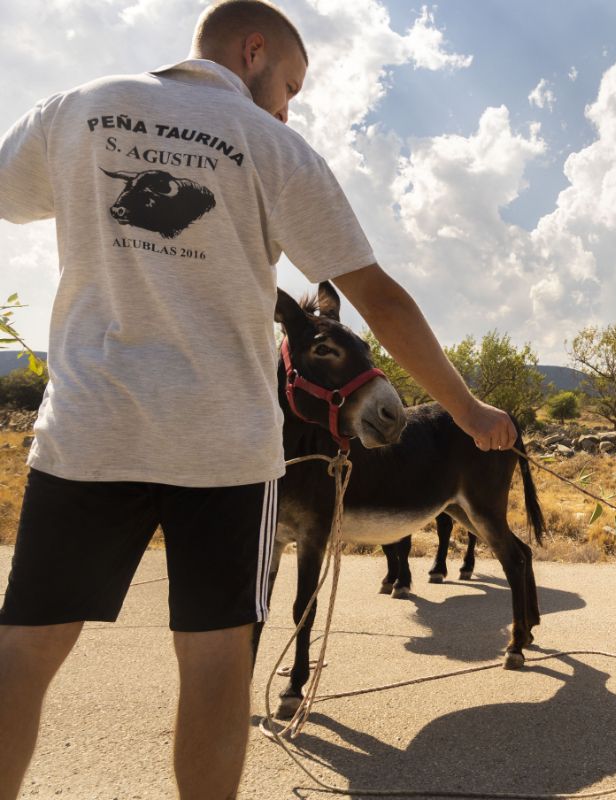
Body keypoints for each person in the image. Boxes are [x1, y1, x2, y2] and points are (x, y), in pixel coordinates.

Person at [0, 1, 517, 797]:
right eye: (291, 84)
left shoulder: (77, 108)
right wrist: (469, 409)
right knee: (215, 660)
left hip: (90, 431)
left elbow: (8, 196)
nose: (289, 103)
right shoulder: (274, 146)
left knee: (25, 650)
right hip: (225, 450)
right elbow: (376, 296)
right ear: (253, 51)